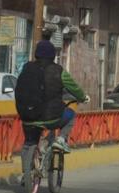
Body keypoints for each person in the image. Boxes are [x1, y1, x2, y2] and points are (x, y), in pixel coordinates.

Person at [16, 40, 89, 177]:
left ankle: (26, 174)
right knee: (71, 114)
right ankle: (61, 139)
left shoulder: (27, 68)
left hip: (28, 117)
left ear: (36, 53)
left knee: (28, 143)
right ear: (53, 55)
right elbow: (74, 88)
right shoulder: (59, 71)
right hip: (52, 118)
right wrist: (83, 97)